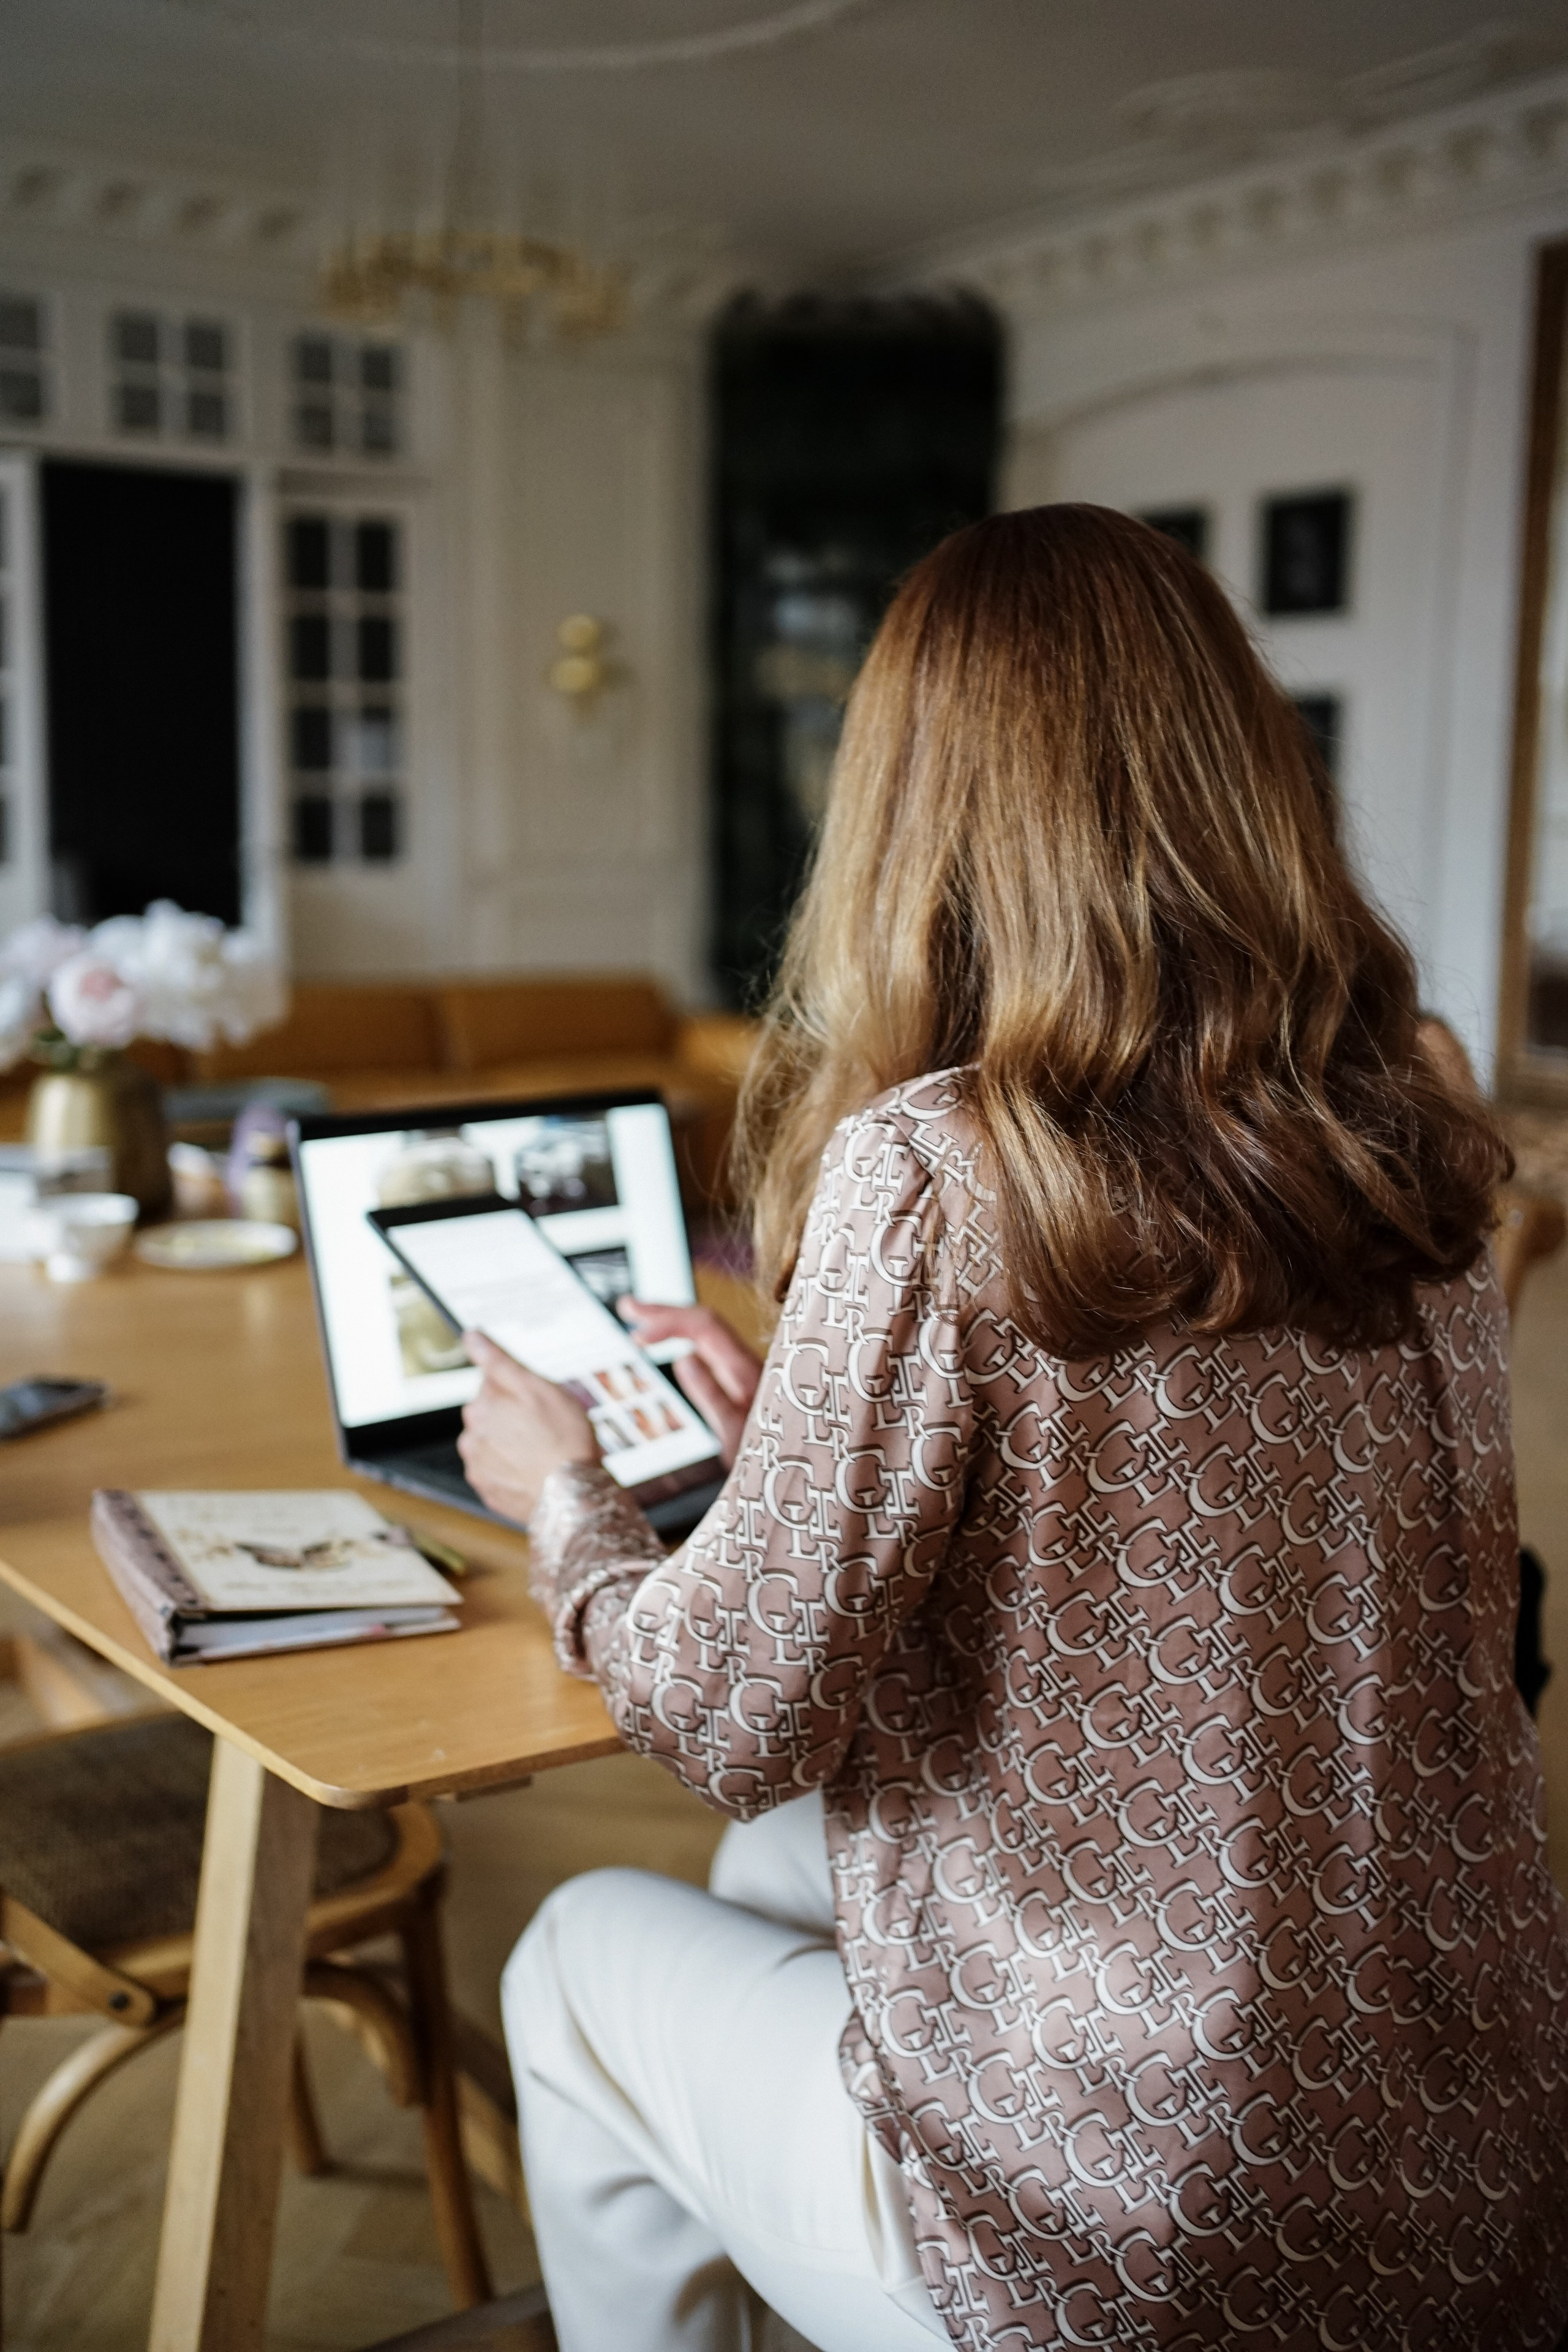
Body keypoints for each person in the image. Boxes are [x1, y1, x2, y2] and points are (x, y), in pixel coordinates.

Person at [458, 505, 1568, 2352]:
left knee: (570, 1962)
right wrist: (788, 1446)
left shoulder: (937, 1169)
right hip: (1456, 2155)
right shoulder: (1411, 1144)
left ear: (917, 805)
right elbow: (1152, 1540)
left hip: (1150, 2227)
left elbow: (735, 1720)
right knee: (763, 1886)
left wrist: (567, 1501)